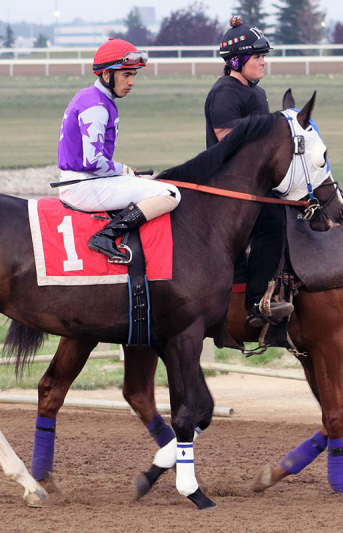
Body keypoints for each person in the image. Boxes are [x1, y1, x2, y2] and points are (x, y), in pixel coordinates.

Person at [57, 38, 180, 263]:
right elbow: (93, 161)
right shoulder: (96, 105)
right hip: (82, 185)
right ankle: (106, 235)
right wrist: (121, 169)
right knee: (170, 194)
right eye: (126, 75)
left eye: (134, 75)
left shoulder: (94, 98)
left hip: (84, 181)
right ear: (106, 75)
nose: (132, 82)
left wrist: (119, 171)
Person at [204, 16, 293, 328]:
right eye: (257, 57)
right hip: (227, 186)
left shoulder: (257, 92)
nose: (263, 63)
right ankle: (257, 302)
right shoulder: (225, 93)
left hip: (253, 184)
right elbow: (229, 142)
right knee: (271, 222)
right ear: (237, 61)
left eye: (263, 57)